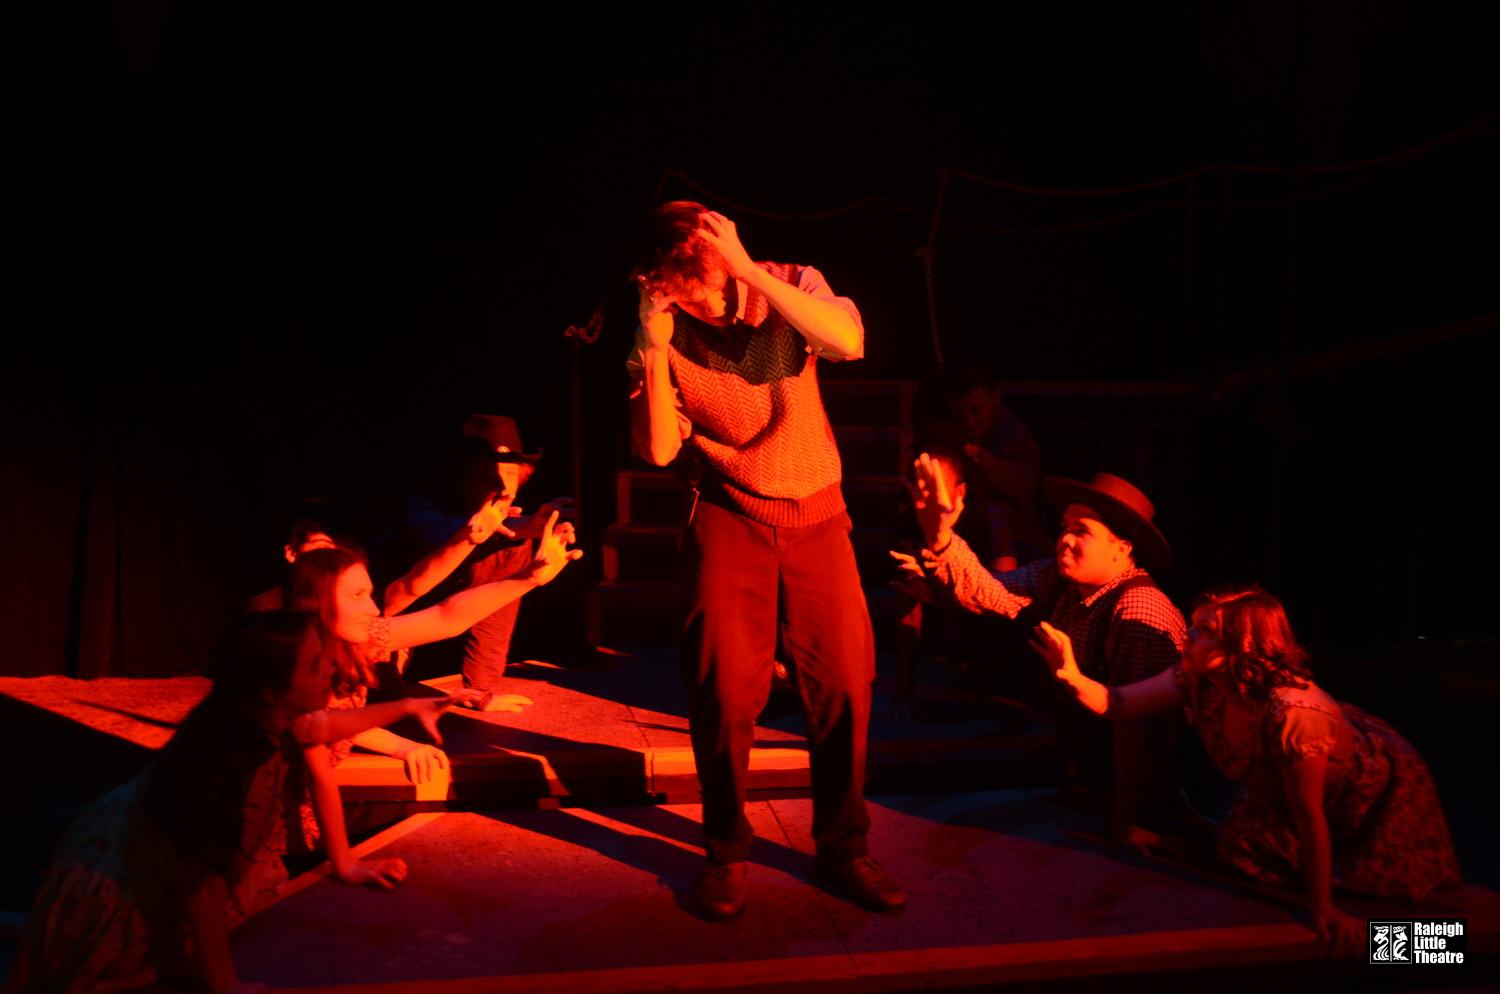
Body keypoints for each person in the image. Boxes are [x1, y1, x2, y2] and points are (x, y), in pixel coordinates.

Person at [627, 201, 902, 918]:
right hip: (728, 516)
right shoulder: (660, 328)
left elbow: (849, 343)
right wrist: (653, 347)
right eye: (692, 299)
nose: (713, 310)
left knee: (844, 682)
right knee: (723, 690)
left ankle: (844, 846)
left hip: (817, 512)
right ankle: (726, 852)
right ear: (661, 288)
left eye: (716, 291)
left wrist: (748, 272)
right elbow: (659, 449)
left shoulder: (789, 281)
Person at [3, 611, 485, 994]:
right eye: (316, 665)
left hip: (148, 854)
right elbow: (201, 885)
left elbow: (319, 726)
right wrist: (225, 984)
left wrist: (406, 705)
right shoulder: (228, 761)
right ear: (272, 691)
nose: (332, 669)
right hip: (135, 883)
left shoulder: (264, 714)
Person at [1035, 583, 1463, 956]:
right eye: (1194, 624)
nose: (1188, 635)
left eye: (1205, 630)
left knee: (1388, 890)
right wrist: (1071, 675)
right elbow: (1119, 704)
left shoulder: (1293, 714)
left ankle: (1431, 950)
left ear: (1242, 643)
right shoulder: (1198, 679)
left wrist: (1322, 909)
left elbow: (1309, 814)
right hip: (1280, 789)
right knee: (1241, 856)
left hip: (1367, 796)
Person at [895, 462, 1185, 845]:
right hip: (1089, 774)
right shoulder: (1056, 579)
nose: (1065, 539)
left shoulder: (1138, 609)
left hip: (1144, 793)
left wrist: (1137, 818)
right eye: (1065, 527)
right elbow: (991, 592)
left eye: (1082, 531)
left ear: (1122, 549)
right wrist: (941, 542)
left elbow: (1143, 730)